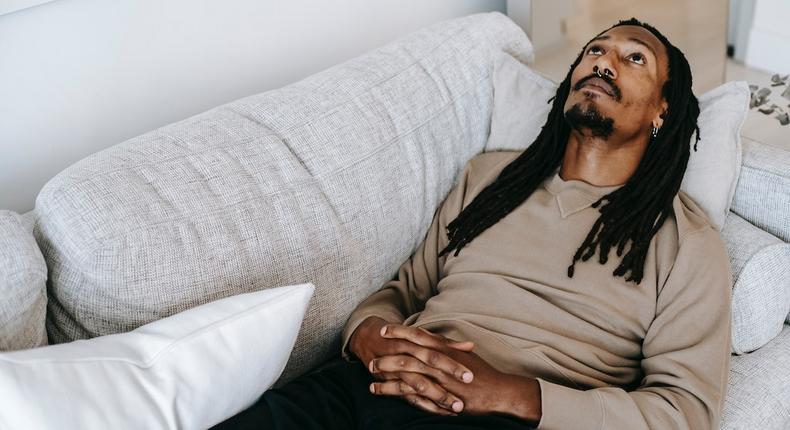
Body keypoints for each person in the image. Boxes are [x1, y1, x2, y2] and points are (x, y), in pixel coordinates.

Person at [212, 17, 732, 430]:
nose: (604, 62)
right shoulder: (490, 179)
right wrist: (369, 336)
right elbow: (406, 291)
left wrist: (510, 394)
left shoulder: (687, 243)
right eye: (595, 50)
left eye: (633, 58)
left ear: (663, 110)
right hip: (367, 390)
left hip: (506, 421)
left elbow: (684, 412)